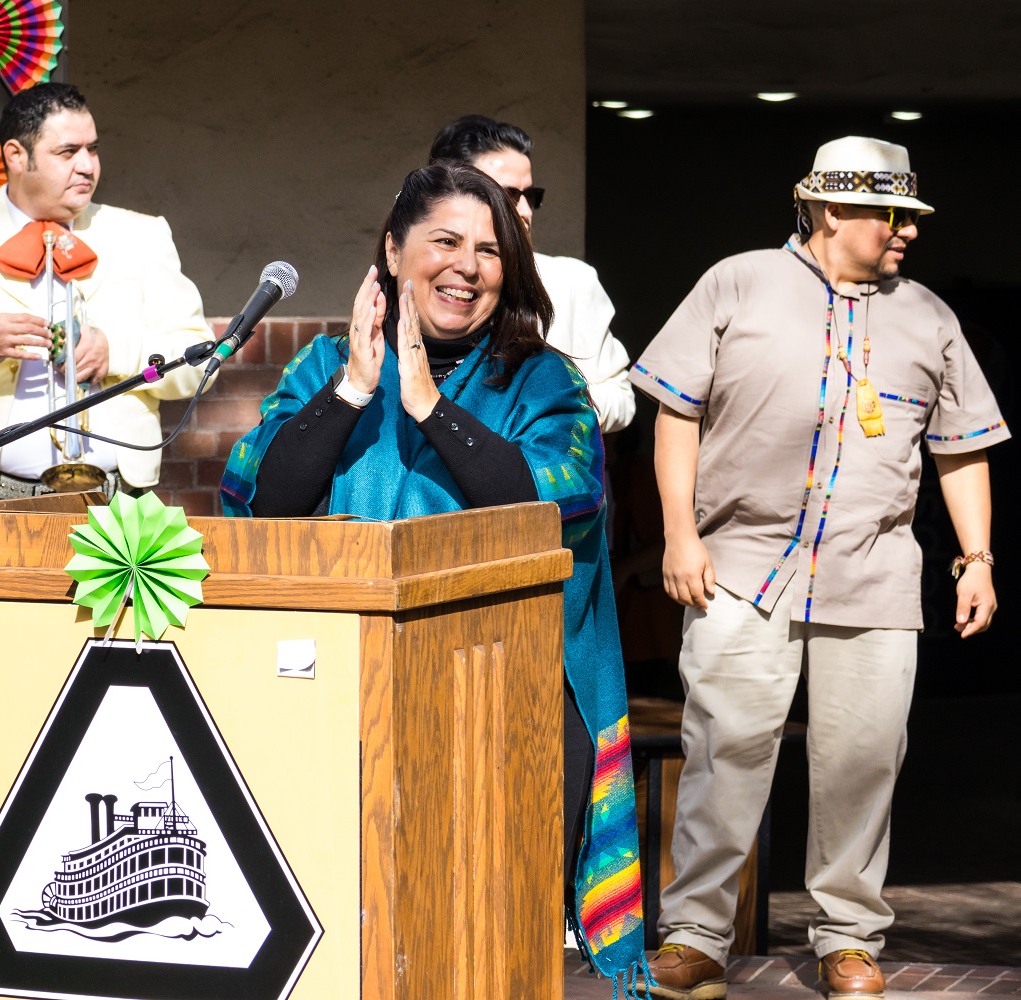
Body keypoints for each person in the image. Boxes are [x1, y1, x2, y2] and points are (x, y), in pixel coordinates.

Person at [220, 162, 648, 988]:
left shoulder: (544, 379)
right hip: (340, 688)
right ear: (393, 249)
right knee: (347, 915)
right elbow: (263, 498)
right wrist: (354, 389)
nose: (467, 266)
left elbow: (556, 503)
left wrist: (429, 408)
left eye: (489, 251)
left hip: (510, 693)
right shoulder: (323, 367)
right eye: (444, 241)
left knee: (487, 926)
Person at [629, 136, 1005, 1000]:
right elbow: (675, 414)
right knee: (724, 750)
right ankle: (695, 935)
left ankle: (848, 938)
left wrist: (976, 558)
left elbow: (960, 450)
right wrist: (680, 536)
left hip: (874, 573)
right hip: (741, 567)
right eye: (892, 214)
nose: (907, 231)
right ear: (832, 210)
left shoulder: (930, 317)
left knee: (865, 758)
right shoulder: (737, 283)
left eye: (910, 215)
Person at [0, 83, 214, 501]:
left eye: (92, 150)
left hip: (118, 500)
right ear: (16, 157)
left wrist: (118, 353)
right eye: (67, 152)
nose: (87, 166)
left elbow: (204, 360)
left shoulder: (144, 236)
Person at [429, 114, 635, 434]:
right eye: (507, 194)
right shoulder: (427, 280)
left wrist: (553, 405)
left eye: (531, 196)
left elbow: (621, 398)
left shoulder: (572, 281)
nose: (524, 211)